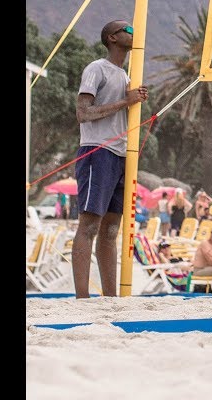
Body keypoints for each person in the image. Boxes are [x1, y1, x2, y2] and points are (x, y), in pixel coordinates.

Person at [70, 20, 150, 298]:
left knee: (111, 230)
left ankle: (110, 299)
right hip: (97, 151)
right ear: (112, 38)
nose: (133, 32)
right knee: (90, 224)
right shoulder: (96, 68)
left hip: (121, 154)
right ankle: (82, 299)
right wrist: (126, 102)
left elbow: (122, 113)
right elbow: (83, 113)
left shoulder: (128, 75)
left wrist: (135, 103)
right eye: (127, 29)